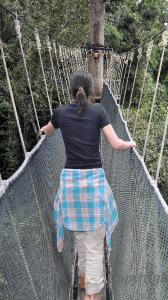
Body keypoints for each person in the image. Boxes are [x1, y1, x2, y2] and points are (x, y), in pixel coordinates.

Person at [40, 69, 136, 300]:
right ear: (92, 92)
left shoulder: (60, 113)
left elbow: (47, 130)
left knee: (81, 238)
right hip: (93, 185)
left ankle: (84, 278)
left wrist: (42, 131)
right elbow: (115, 143)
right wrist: (130, 143)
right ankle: (92, 295)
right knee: (95, 244)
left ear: (71, 91)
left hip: (70, 186)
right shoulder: (99, 111)